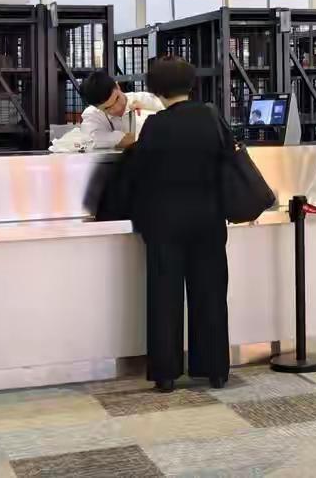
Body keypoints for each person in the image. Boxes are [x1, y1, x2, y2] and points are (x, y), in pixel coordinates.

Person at [125, 56, 231, 392]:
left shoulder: (155, 126)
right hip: (209, 217)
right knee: (211, 293)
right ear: (191, 84)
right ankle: (214, 369)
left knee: (164, 294)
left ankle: (166, 373)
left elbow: (138, 173)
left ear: (156, 89)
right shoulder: (212, 117)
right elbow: (228, 159)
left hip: (165, 220)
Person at [80, 71, 163, 150]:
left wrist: (145, 115)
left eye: (117, 99)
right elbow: (89, 139)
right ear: (97, 108)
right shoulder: (92, 114)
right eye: (107, 108)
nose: (117, 108)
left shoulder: (146, 99)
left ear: (118, 86)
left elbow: (170, 123)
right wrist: (124, 138)